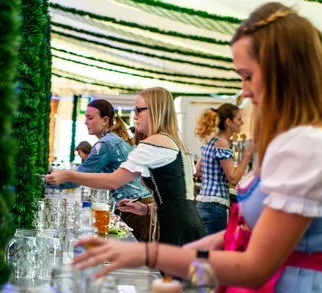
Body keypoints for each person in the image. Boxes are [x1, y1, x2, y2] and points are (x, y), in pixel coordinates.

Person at [73, 4, 322, 293]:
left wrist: (149, 255)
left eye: (248, 76)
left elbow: (255, 264)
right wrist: (168, 258)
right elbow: (238, 235)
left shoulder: (310, 145)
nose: (243, 91)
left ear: (284, 71)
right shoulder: (300, 138)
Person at [48, 88, 205, 246]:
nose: (135, 116)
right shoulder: (174, 141)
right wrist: (146, 209)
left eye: (138, 110)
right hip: (187, 225)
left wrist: (69, 175)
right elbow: (178, 196)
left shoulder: (154, 142)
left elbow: (113, 181)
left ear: (155, 110)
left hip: (176, 229)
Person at [47, 99, 152, 241]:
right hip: (140, 204)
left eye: (90, 118)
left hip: (134, 208)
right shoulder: (117, 138)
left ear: (105, 120)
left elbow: (77, 178)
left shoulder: (106, 143)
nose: (85, 122)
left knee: (134, 258)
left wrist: (43, 180)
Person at [194, 104, 252, 234]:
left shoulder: (210, 140)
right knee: (215, 250)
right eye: (239, 119)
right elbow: (233, 178)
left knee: (205, 249)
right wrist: (248, 154)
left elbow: (198, 170)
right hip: (216, 204)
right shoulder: (223, 143)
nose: (242, 122)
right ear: (228, 122)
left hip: (202, 203)